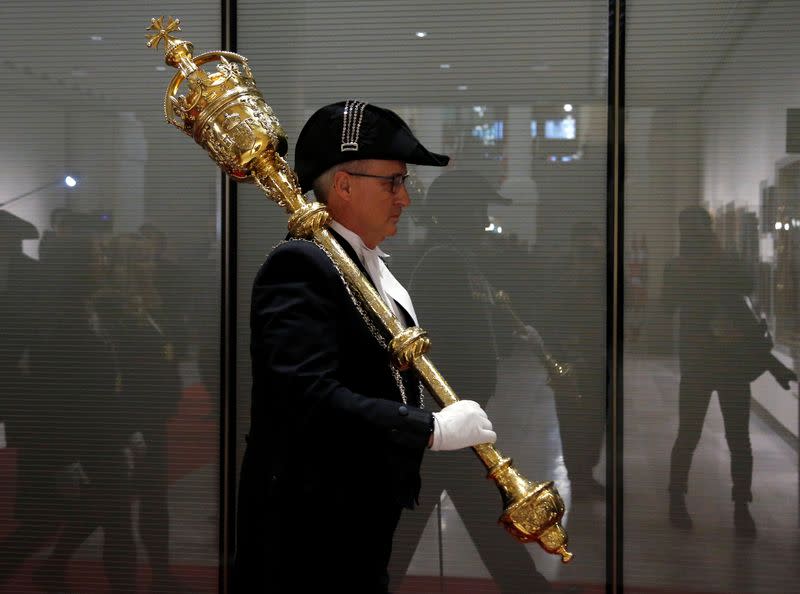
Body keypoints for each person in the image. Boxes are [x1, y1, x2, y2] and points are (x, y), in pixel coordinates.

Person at [232, 100, 498, 593]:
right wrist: (428, 429)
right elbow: (303, 396)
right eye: (392, 182)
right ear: (344, 185)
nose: (405, 198)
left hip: (352, 509)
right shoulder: (301, 266)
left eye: (404, 183)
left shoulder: (362, 262)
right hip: (308, 523)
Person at [390, 169, 552, 593]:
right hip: (446, 414)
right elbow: (437, 342)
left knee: (469, 509)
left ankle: (527, 586)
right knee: (422, 516)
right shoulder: (443, 260)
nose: (484, 220)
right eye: (477, 210)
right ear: (456, 214)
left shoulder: (457, 258)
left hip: (456, 414)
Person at [662, 206, 796, 538]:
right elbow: (671, 305)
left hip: (715, 361)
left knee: (713, 437)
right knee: (716, 437)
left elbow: (743, 290)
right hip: (709, 361)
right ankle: (708, 504)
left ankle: (724, 504)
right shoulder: (697, 264)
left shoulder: (704, 263)